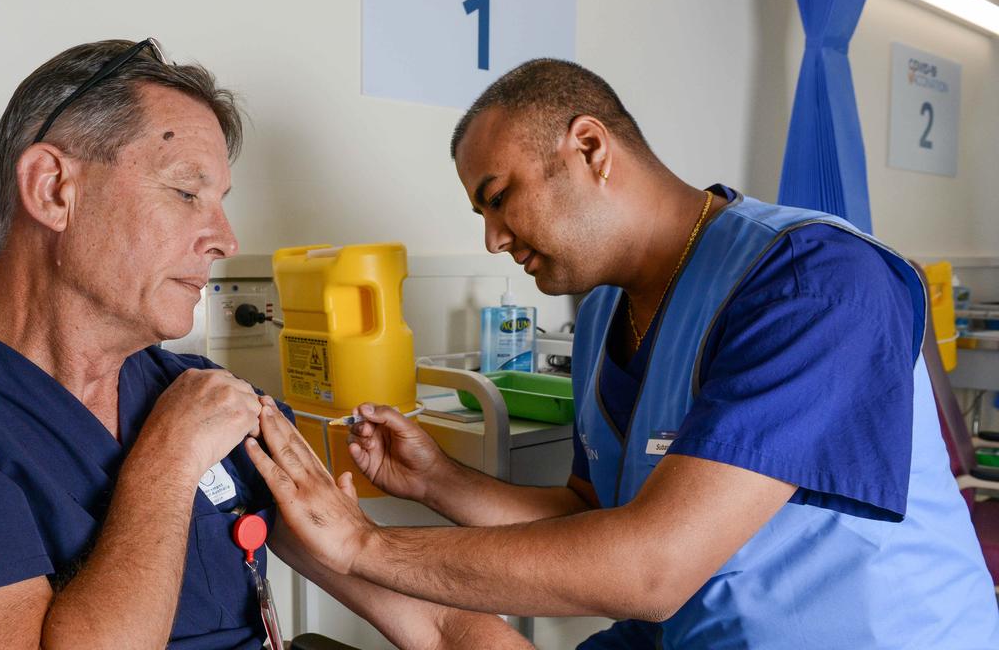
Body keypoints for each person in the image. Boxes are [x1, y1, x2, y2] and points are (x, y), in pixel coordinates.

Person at [0, 38, 529, 650]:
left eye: (221, 203)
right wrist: (166, 463)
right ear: (53, 190)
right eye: (184, 192)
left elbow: (435, 620)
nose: (224, 239)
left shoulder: (204, 395)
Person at [245, 59, 999, 648]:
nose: (493, 239)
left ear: (590, 149)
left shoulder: (815, 284)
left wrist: (363, 547)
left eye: (498, 196)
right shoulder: (605, 310)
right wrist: (438, 481)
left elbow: (651, 565)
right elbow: (588, 513)